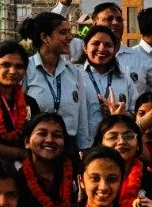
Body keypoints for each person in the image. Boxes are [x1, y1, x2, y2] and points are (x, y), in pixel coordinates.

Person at [22, 12, 100, 151]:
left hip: (68, 148)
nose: (70, 37)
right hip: (37, 146)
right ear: (45, 37)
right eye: (63, 32)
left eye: (69, 32)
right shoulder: (26, 69)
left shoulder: (73, 72)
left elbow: (81, 118)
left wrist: (84, 149)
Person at [14, 111, 75, 207]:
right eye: (42, 133)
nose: (49, 140)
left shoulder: (76, 176)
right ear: (27, 142)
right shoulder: (15, 180)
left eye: (57, 135)